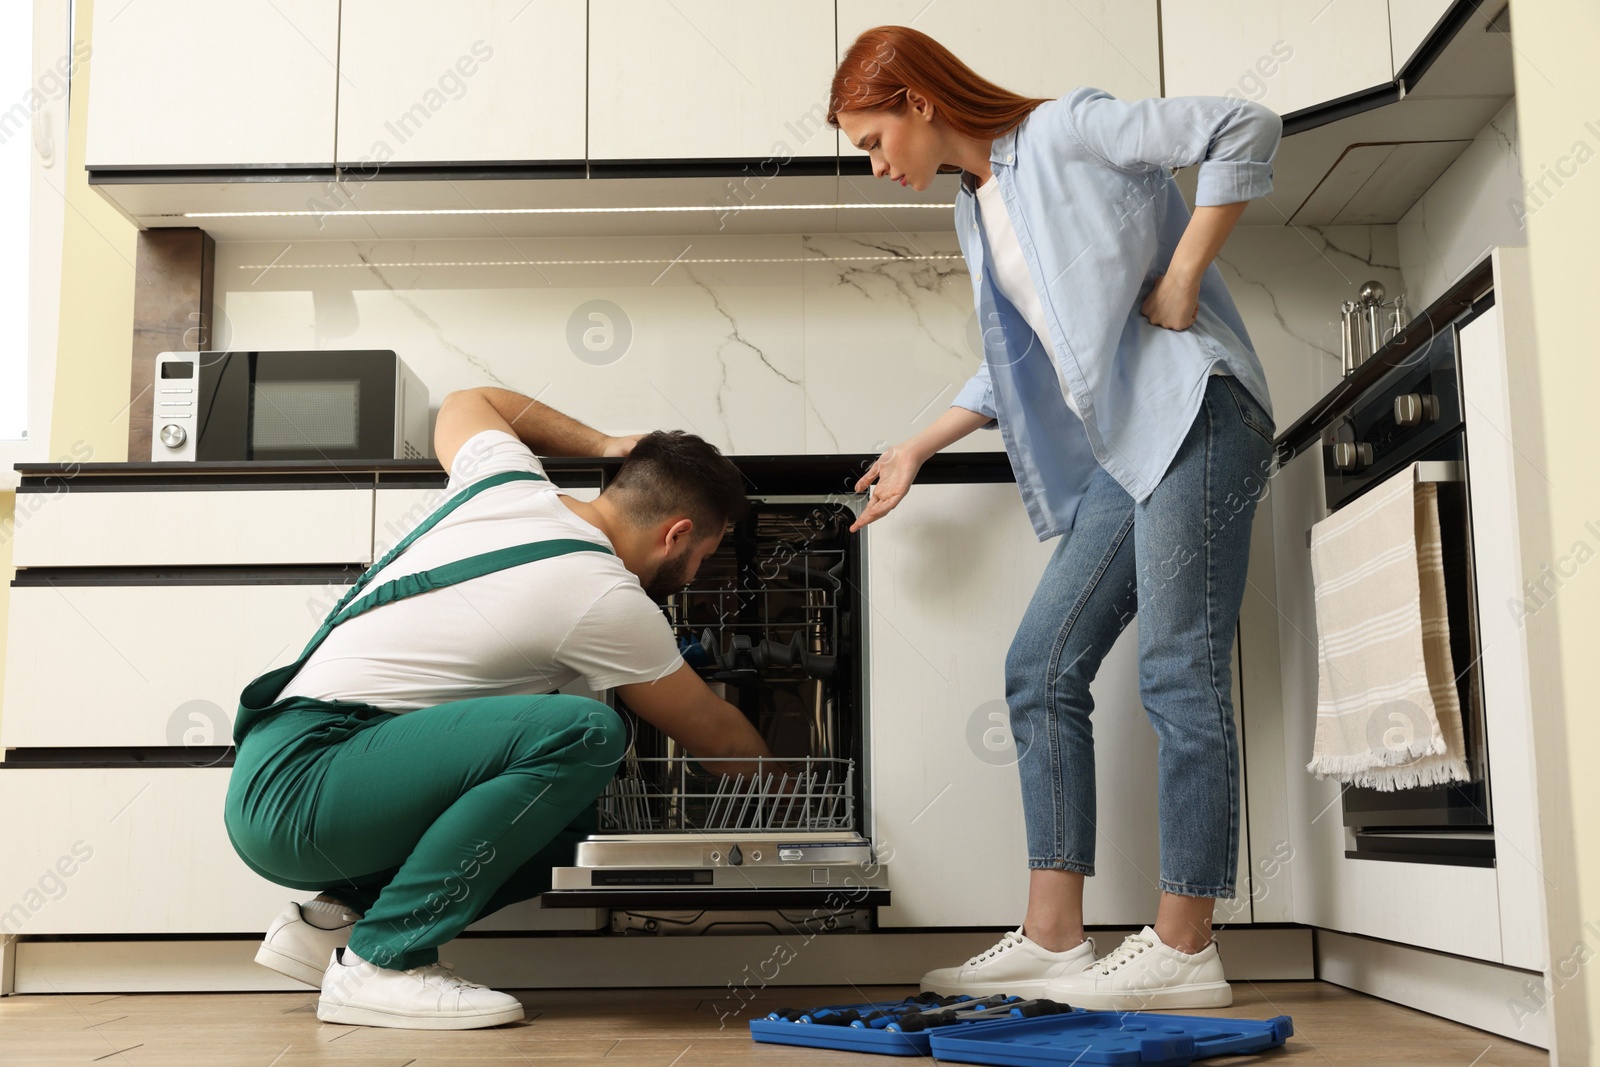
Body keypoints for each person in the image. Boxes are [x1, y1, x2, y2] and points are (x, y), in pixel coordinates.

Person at [829, 26, 1281, 1011]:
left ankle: (1184, 943)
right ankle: (1052, 937)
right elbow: (1024, 359)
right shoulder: (976, 208)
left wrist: (1182, 274)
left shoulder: (1067, 131)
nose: (875, 165)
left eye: (870, 141)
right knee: (1040, 667)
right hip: (1133, 444)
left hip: (1198, 407)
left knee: (1177, 666)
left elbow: (1244, 124)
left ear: (914, 101)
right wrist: (916, 445)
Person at [223, 386, 773, 1030]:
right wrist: (812, 805)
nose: (698, 574)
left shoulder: (506, 482)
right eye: (703, 557)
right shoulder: (606, 595)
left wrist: (605, 444)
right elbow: (720, 740)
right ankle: (385, 963)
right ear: (676, 533)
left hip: (286, 776)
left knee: (572, 823)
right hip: (306, 789)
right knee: (586, 731)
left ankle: (333, 927)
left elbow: (469, 400)